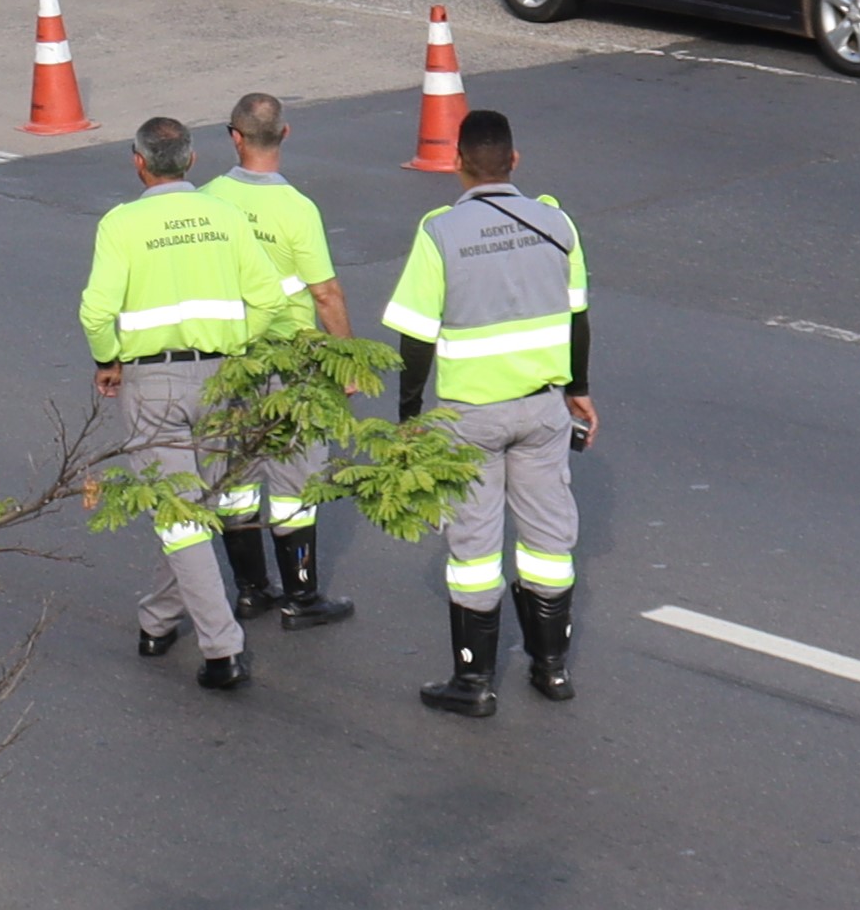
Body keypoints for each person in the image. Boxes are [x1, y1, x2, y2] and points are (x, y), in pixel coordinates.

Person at [382, 107, 590, 721]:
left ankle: (473, 684)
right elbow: (578, 318)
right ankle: (551, 670)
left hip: (469, 417)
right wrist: (579, 390)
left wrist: (410, 415)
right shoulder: (557, 223)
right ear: (515, 162)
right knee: (549, 540)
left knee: (474, 548)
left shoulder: (441, 232)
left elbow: (417, 335)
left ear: (456, 164)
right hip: (542, 410)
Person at [81, 113, 275, 693]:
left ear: (138, 163)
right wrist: (235, 346)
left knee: (181, 516)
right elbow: (265, 298)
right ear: (192, 160)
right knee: (199, 511)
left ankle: (222, 648)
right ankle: (158, 619)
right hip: (221, 380)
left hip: (152, 384)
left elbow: (96, 312)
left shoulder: (122, 224)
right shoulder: (225, 214)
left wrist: (107, 360)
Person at [205, 91, 353, 629]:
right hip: (291, 362)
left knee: (237, 475)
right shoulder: (297, 209)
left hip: (230, 360)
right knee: (294, 480)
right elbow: (326, 294)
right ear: (285, 134)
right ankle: (302, 597)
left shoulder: (209, 200)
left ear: (234, 136)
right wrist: (348, 363)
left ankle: (250, 590)